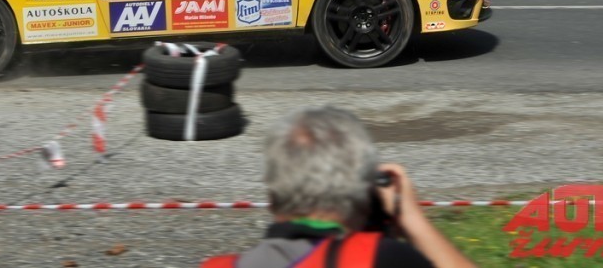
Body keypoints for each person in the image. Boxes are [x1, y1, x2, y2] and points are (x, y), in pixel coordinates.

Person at [202, 106, 476, 268]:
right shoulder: (380, 258)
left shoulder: (216, 266)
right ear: (365, 196)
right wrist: (412, 221)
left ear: (272, 197)